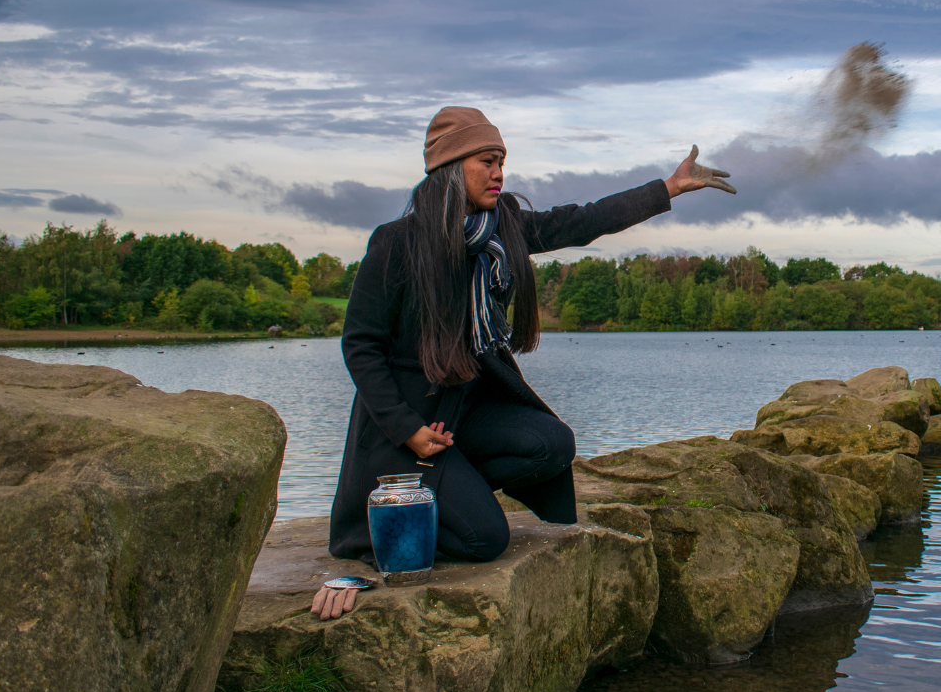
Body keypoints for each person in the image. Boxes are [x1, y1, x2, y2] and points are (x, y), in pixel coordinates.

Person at [312, 106, 734, 619]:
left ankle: (450, 485)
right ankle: (407, 514)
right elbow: (360, 345)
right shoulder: (395, 243)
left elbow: (579, 222)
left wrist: (667, 188)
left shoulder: (501, 229)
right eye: (487, 161)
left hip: (463, 416)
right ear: (450, 167)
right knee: (486, 539)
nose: (499, 173)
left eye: (502, 162)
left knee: (552, 443)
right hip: (406, 430)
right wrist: (407, 429)